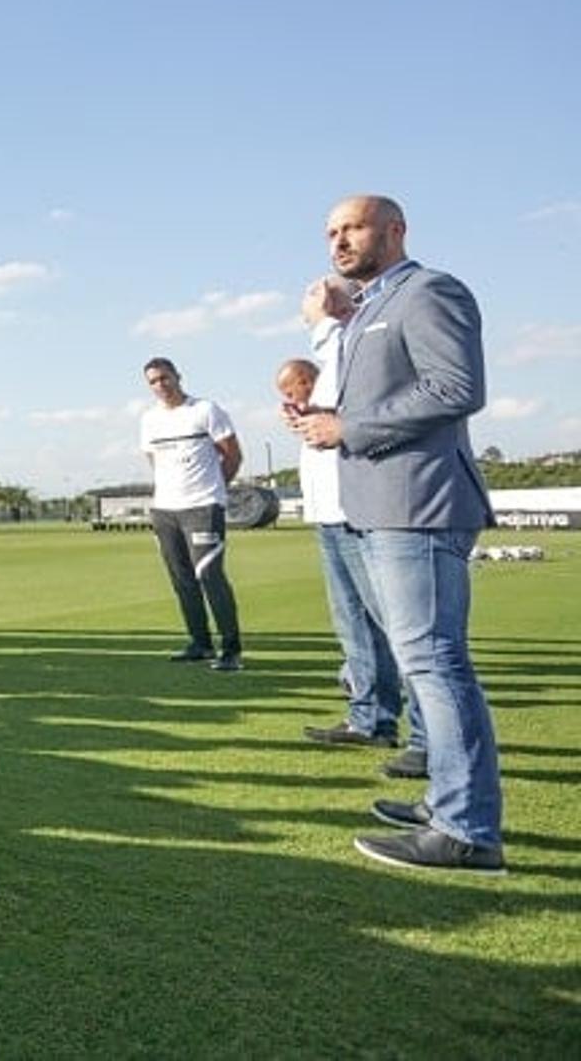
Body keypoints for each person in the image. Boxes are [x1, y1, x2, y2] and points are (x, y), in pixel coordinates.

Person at [288, 195, 503, 874]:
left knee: (435, 665)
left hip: (420, 505)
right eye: (330, 232)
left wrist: (351, 429)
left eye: (351, 227)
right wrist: (324, 418)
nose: (338, 242)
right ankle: (448, 799)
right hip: (381, 506)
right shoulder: (366, 310)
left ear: (394, 229)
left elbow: (456, 387)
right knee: (426, 664)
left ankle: (465, 828)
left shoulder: (429, 291)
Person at [279, 278, 423, 764]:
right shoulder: (336, 353)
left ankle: (425, 738)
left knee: (397, 627)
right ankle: (371, 718)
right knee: (356, 626)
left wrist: (323, 320)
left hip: (360, 508)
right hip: (331, 512)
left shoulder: (352, 342)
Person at [139, 357, 244, 670]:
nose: (161, 385)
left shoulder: (205, 410)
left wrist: (214, 489)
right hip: (165, 510)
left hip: (202, 506)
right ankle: (200, 643)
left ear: (177, 376)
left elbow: (233, 455)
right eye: (154, 381)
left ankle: (231, 650)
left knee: (210, 575)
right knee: (182, 580)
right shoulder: (149, 420)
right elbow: (154, 460)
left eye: (165, 378)